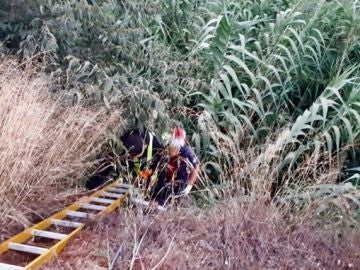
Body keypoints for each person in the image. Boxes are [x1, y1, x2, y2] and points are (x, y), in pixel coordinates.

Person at [151, 127, 200, 206]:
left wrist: (189, 185)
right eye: (170, 148)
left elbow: (196, 167)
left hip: (180, 181)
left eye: (174, 149)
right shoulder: (163, 152)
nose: (170, 151)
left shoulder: (186, 153)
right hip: (165, 180)